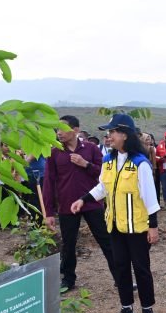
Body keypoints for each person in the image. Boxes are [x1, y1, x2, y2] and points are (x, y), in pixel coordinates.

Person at [71, 113, 160, 313]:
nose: (109, 136)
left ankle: (148, 311)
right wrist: (83, 200)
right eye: (109, 132)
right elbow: (102, 187)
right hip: (115, 226)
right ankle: (127, 309)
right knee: (120, 268)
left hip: (137, 227)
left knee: (141, 269)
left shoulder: (141, 164)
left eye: (112, 132)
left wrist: (153, 227)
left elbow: (150, 197)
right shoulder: (108, 160)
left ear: (125, 135)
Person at [42, 115, 114, 292]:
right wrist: (49, 212)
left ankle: (120, 277)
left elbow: (104, 176)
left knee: (106, 240)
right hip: (68, 206)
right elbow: (48, 183)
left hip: (92, 203)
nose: (58, 133)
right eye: (56, 129)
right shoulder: (54, 153)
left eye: (62, 128)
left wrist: (86, 164)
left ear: (75, 130)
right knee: (68, 244)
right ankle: (68, 279)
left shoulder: (91, 149)